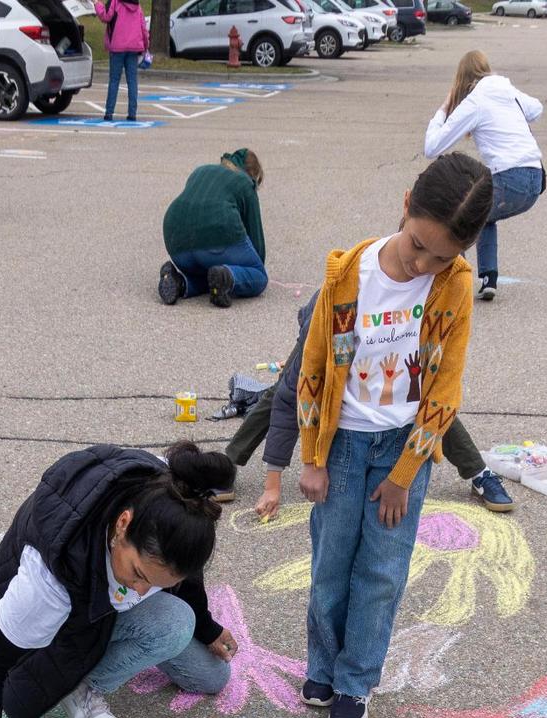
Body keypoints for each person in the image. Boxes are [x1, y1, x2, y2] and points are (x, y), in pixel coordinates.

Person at [296, 153, 493, 718]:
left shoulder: (452, 287)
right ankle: (323, 667)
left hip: (401, 449)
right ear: (406, 205)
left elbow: (445, 389)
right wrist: (311, 456)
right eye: (417, 246)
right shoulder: (347, 274)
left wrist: (405, 473)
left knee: (381, 571)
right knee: (331, 563)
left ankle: (355, 679)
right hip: (341, 446)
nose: (424, 263)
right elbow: (312, 368)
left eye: (443, 256)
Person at [0, 443, 239, 718]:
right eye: (139, 575)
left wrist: (208, 627)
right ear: (122, 525)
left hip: (96, 602)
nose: (141, 593)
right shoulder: (49, 585)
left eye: (160, 583)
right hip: (56, 626)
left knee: (213, 676)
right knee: (172, 623)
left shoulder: (175, 501)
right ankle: (77, 684)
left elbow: (186, 574)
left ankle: (97, 658)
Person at [226, 290, 514, 517]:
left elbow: (435, 402)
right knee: (287, 387)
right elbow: (289, 398)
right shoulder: (321, 331)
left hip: (388, 333)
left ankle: (478, 472)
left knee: (416, 392)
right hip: (337, 322)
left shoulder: (382, 332)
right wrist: (272, 484)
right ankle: (224, 465)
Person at [424, 51, 543, 303]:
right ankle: (489, 278)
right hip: (534, 180)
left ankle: (456, 281)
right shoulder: (507, 90)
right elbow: (537, 109)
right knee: (482, 213)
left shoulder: (475, 101)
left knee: (459, 217)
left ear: (463, 78)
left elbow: (432, 147)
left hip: (511, 180)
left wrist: (444, 109)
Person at [158, 149, 266, 310]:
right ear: (253, 174)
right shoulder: (244, 181)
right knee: (259, 276)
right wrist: (253, 267)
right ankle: (227, 277)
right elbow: (257, 244)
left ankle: (180, 282)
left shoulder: (200, 170)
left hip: (176, 243)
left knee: (210, 275)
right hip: (217, 233)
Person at [95, 0, 149, 124]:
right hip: (134, 46)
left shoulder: (115, 2)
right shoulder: (137, 5)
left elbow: (106, 17)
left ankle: (109, 112)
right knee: (132, 81)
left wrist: (97, 4)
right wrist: (145, 46)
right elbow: (143, 28)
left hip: (117, 46)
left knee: (114, 80)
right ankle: (132, 113)